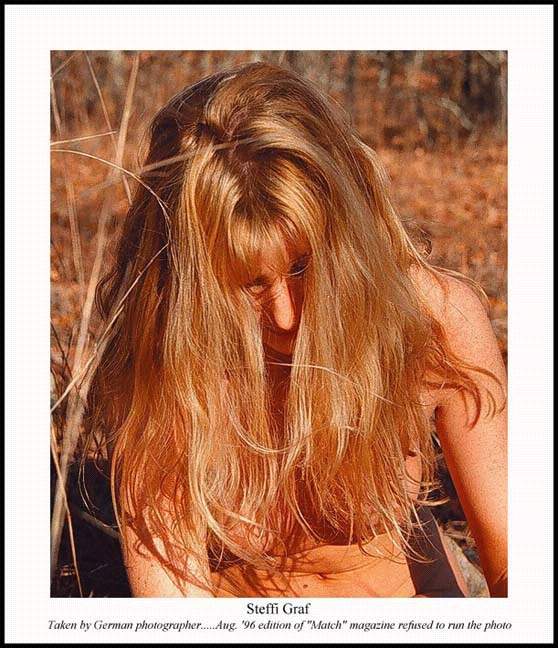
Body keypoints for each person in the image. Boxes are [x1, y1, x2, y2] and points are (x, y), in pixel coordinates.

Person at [86, 61, 507, 598]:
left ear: (349, 238)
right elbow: (173, 609)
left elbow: (514, 562)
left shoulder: (432, 321)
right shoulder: (166, 366)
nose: (285, 316)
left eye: (304, 266)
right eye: (248, 282)